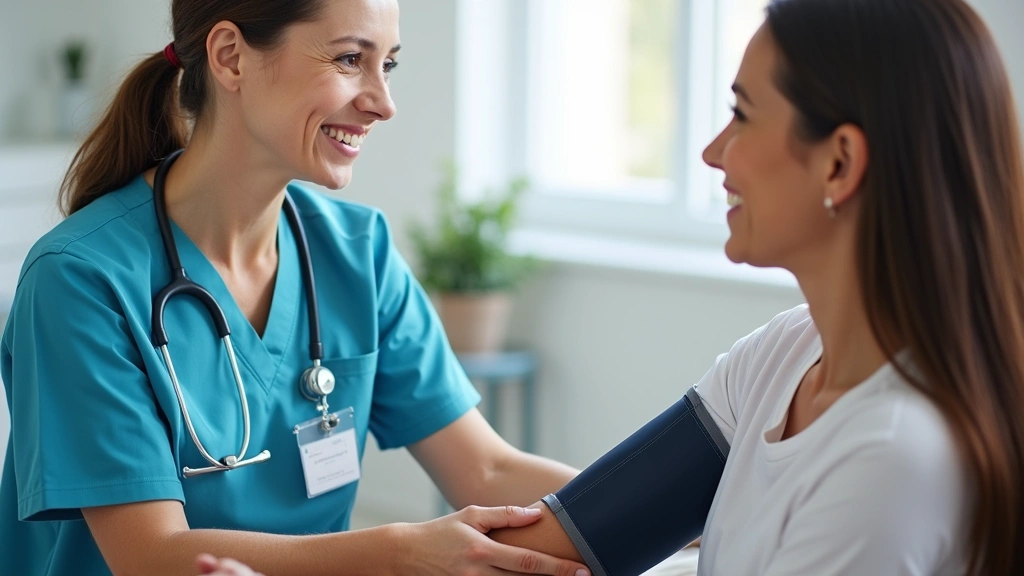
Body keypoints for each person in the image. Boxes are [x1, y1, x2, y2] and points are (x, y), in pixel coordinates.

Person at [0, 0, 596, 574]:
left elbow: (487, 470)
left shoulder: (357, 251)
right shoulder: (79, 279)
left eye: (386, 64)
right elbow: (152, 557)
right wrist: (400, 554)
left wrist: (664, 502)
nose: (383, 103)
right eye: (348, 60)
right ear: (231, 57)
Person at [491, 0, 1024, 574]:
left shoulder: (890, 458)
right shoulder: (785, 353)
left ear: (839, 164)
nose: (712, 152)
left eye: (741, 115)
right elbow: (562, 542)